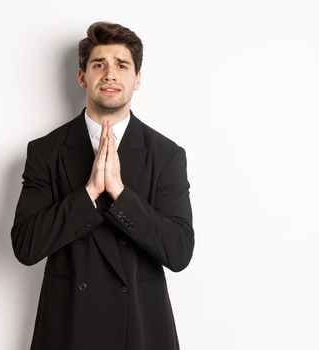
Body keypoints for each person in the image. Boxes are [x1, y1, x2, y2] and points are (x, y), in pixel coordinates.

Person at [11, 21, 194, 350]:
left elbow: (179, 251)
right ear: (82, 77)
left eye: (122, 65)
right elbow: (25, 247)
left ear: (137, 79)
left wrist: (120, 195)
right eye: (99, 64)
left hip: (140, 329)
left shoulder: (166, 155)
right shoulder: (46, 151)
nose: (110, 74)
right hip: (69, 327)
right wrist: (89, 193)